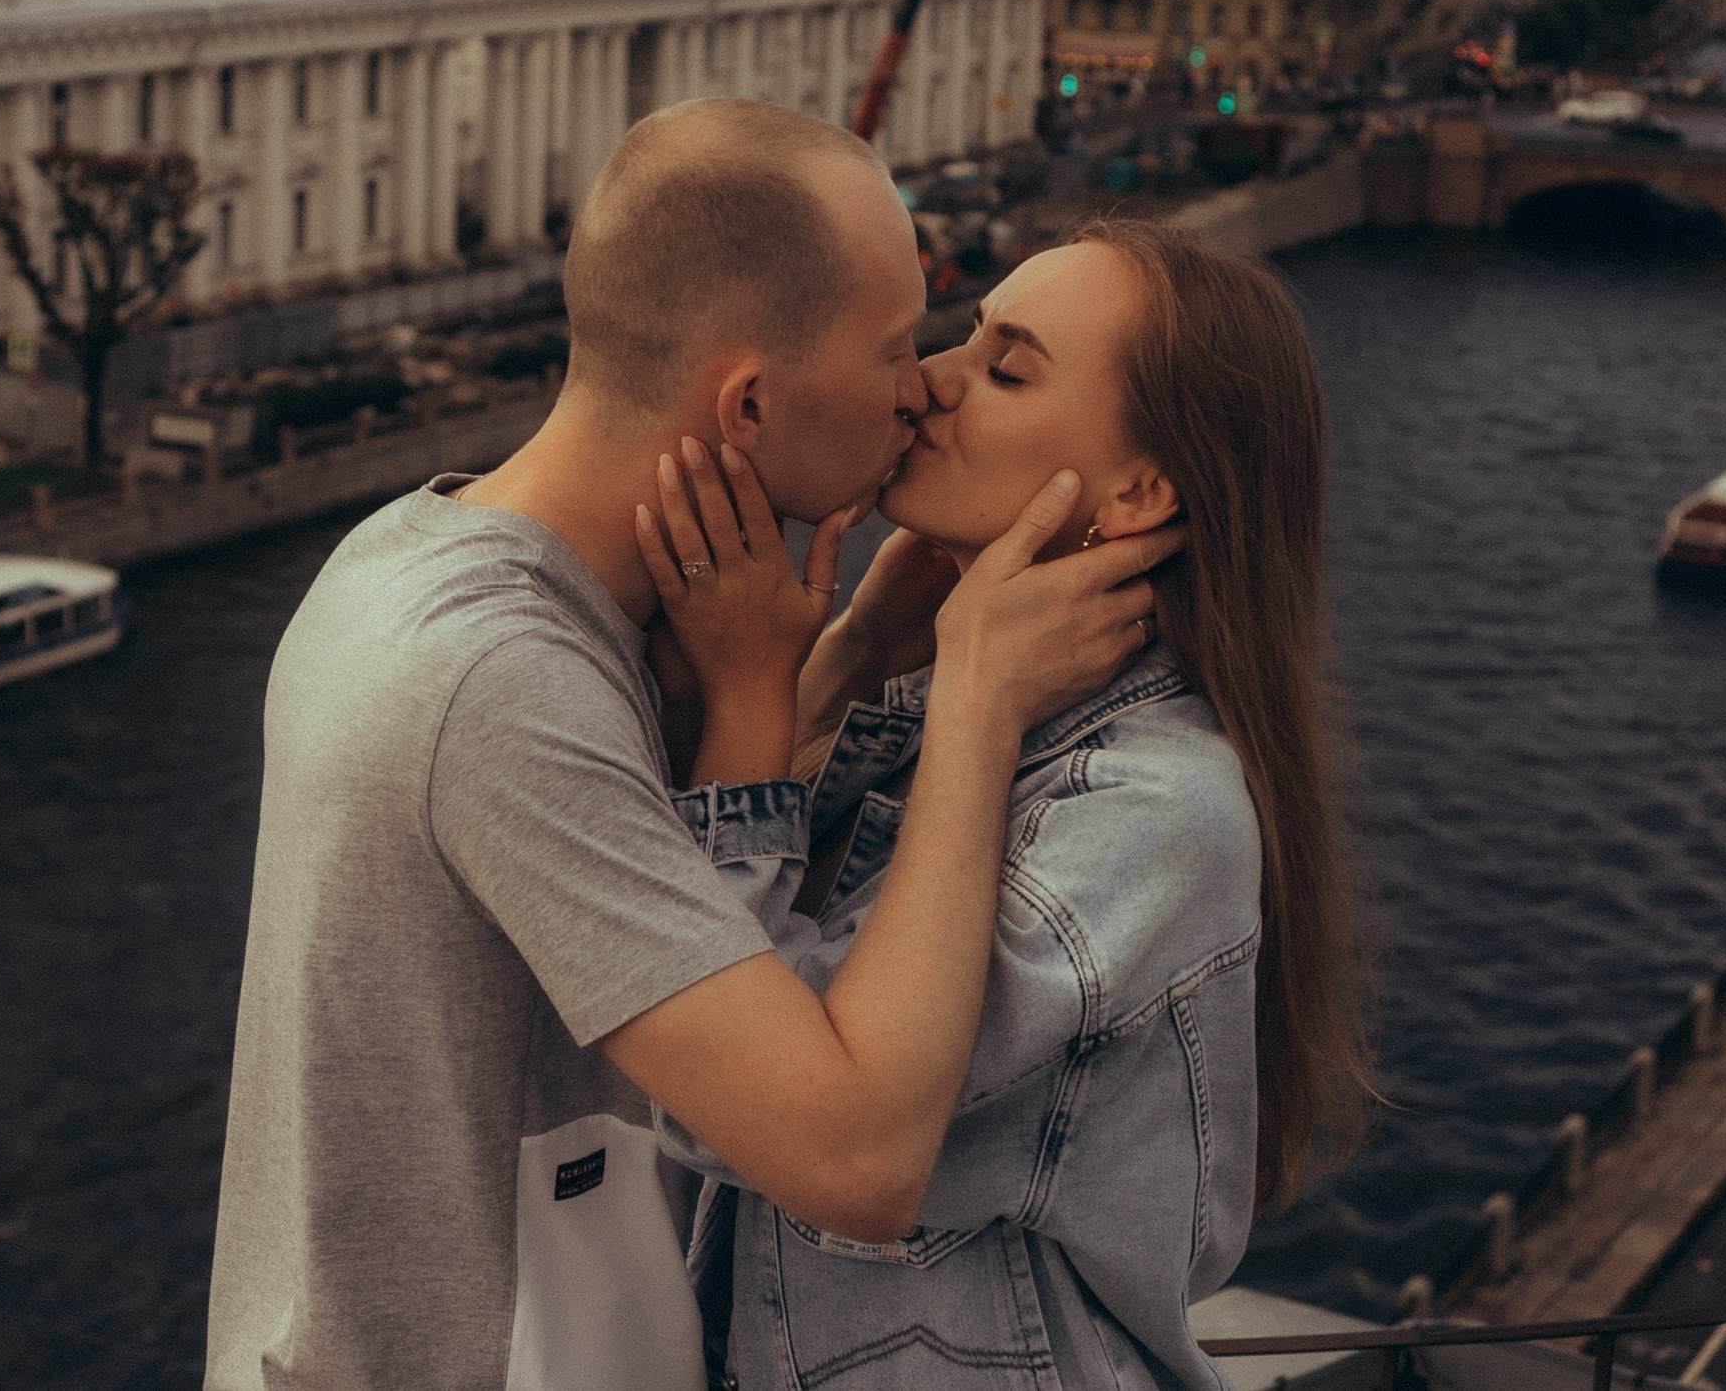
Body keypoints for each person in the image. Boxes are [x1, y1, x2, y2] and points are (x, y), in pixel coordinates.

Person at [204, 99, 1180, 1391]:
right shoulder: (500, 683)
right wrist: (977, 703)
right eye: (896, 344)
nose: (921, 385)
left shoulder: (408, 559)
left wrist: (803, 676)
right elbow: (858, 1160)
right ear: (752, 399)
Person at [637, 218, 1370, 1389]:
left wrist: (750, 695)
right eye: (965, 336)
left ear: (1139, 492)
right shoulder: (957, 704)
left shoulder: (1153, 808)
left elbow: (733, 1102)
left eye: (1004, 367)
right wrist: (849, 663)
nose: (928, 382)